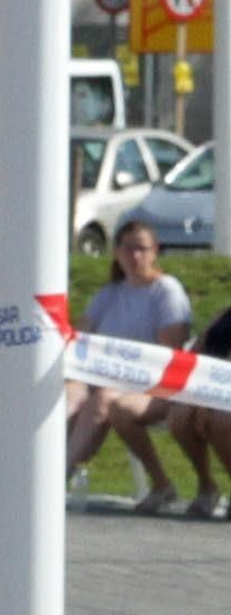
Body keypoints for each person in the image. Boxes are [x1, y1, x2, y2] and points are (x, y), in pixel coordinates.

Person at [65, 219, 216, 515]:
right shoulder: (109, 294)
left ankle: (60, 474)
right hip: (100, 379)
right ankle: (39, 468)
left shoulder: (166, 291)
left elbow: (169, 353)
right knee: (69, 395)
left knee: (108, 400)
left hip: (155, 386)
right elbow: (79, 337)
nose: (135, 257)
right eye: (128, 249)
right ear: (117, 252)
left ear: (155, 251)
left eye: (142, 249)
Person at [165, 301, 231, 519]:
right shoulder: (224, 314)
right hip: (212, 391)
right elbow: (196, 355)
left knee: (221, 419)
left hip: (223, 395)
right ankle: (206, 485)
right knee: (180, 415)